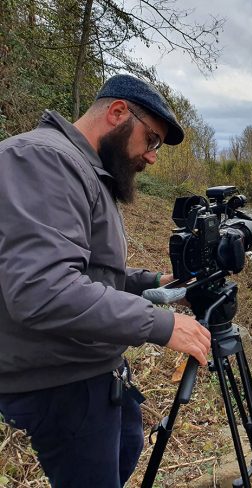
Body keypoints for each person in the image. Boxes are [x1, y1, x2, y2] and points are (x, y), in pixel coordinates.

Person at [0, 74, 212, 487]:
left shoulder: (83, 168)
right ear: (118, 113)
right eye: (151, 140)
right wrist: (163, 325)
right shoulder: (42, 160)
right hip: (60, 383)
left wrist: (158, 282)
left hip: (91, 368)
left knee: (126, 449)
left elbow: (88, 273)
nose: (152, 156)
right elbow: (43, 290)